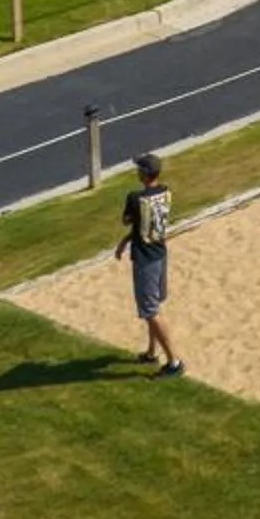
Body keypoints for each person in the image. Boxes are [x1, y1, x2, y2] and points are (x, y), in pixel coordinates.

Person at [113, 151, 184, 377]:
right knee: (155, 306)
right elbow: (146, 224)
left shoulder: (135, 198)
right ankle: (152, 351)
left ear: (144, 174)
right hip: (160, 252)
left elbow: (127, 220)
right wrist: (126, 241)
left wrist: (127, 237)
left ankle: (174, 362)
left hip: (145, 260)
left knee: (150, 311)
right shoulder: (166, 192)